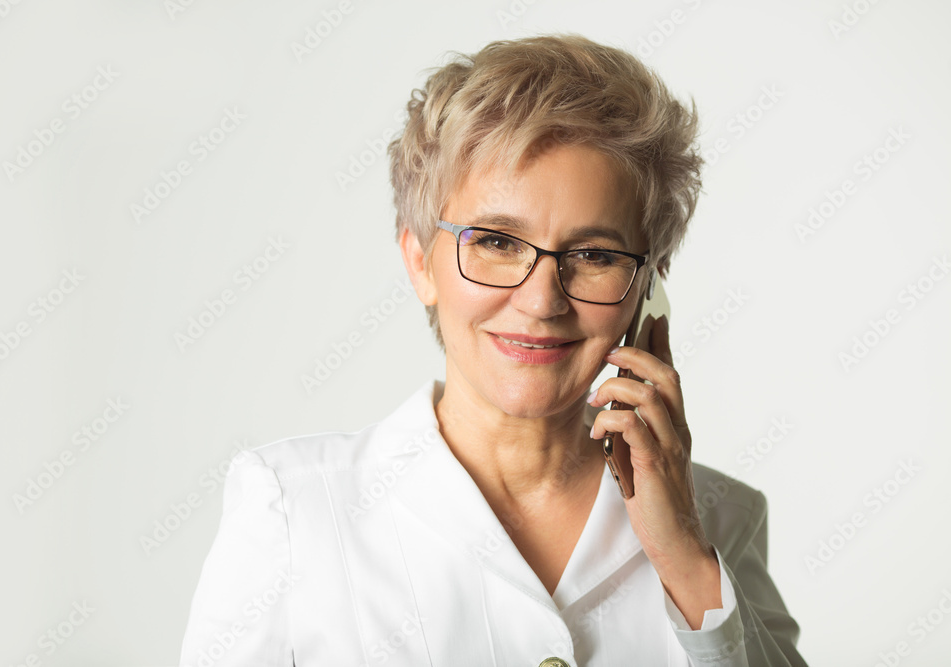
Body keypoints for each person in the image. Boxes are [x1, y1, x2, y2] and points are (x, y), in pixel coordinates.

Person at [179, 33, 806, 666]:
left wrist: (685, 561)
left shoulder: (721, 519)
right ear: (420, 261)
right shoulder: (293, 508)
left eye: (594, 255)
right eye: (498, 243)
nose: (541, 301)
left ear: (647, 284)